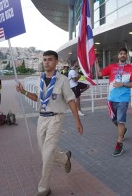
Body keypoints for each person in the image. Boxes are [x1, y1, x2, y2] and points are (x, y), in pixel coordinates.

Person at [16, 50, 83, 196]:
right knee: (44, 151)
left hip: (56, 118)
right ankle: (65, 158)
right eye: (45, 60)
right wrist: (23, 92)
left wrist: (78, 121)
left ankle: (44, 188)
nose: (46, 62)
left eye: (50, 60)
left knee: (47, 153)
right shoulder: (41, 78)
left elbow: (71, 101)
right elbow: (38, 99)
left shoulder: (62, 80)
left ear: (56, 62)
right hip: (42, 118)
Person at [95, 47, 132, 156]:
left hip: (123, 99)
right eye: (121, 53)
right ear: (118, 56)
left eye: (124, 54)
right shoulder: (112, 67)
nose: (123, 55)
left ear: (126, 56)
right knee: (114, 120)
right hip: (111, 99)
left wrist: (123, 84)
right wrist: (96, 62)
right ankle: (123, 130)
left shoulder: (131, 69)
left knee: (121, 120)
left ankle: (119, 143)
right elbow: (100, 74)